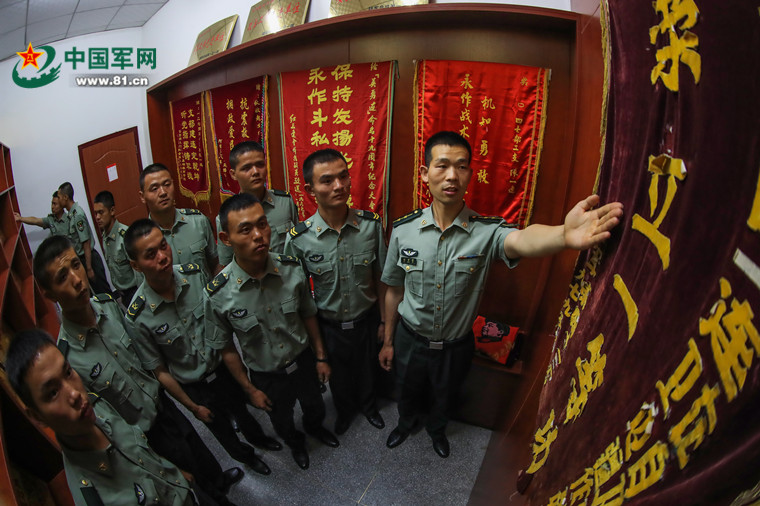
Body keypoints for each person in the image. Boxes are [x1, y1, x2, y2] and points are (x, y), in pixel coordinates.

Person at [379, 131, 624, 458]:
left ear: (470, 174)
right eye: (442, 165)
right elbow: (394, 289)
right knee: (406, 388)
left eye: (461, 167)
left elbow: (521, 240)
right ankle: (405, 424)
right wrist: (388, 340)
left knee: (446, 394)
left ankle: (437, 431)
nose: (452, 175)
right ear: (425, 173)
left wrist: (564, 235)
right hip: (410, 338)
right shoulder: (403, 230)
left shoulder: (486, 231)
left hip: (456, 345)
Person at [33, 235, 239, 504]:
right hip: (142, 433)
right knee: (186, 481)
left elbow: (145, 359)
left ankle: (219, 481)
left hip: (162, 404)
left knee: (196, 449)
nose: (76, 279)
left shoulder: (109, 306)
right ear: (49, 294)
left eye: (76, 265)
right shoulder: (68, 358)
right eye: (62, 277)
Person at [123, 218, 279, 477]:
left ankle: (258, 438)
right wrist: (192, 407)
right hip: (194, 385)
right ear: (135, 265)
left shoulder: (194, 275)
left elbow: (219, 322)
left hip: (222, 366)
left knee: (242, 409)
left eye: (163, 246)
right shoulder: (137, 317)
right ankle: (246, 457)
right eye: (151, 255)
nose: (163, 257)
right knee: (221, 429)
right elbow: (159, 370)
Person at [205, 193, 339, 470]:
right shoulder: (219, 294)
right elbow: (226, 348)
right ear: (226, 238)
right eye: (245, 229)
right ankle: (296, 444)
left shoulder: (290, 268)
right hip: (266, 374)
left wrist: (321, 357)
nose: (259, 235)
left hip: (302, 360)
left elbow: (308, 314)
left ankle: (315, 428)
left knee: (314, 404)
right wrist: (249, 389)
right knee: (281, 419)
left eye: (262, 224)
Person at [5, 329, 212, 506]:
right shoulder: (92, 494)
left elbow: (143, 453)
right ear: (37, 417)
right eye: (53, 393)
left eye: (67, 373)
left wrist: (175, 474)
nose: (74, 394)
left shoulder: (97, 406)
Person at [284, 149, 386, 435]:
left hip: (366, 319)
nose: (339, 186)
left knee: (368, 370)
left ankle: (369, 408)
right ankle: (344, 413)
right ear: (310, 190)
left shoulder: (370, 226)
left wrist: (384, 321)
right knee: (339, 378)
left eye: (343, 176)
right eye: (327, 181)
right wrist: (314, 347)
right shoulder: (300, 239)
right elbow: (298, 296)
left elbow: (382, 278)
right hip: (329, 325)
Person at [216, 141, 298, 265]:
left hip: (286, 274)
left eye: (260, 165)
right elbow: (226, 263)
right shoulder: (228, 217)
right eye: (246, 168)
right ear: (233, 174)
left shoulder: (285, 202)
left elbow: (297, 244)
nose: (255, 172)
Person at [139, 163, 220, 279]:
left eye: (167, 185)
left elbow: (215, 264)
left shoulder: (198, 221)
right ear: (142, 196)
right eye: (154, 189)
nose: (163, 192)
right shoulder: (142, 240)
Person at [57, 182, 113, 295]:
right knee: (97, 293)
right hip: (84, 259)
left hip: (90, 259)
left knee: (104, 292)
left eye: (59, 197)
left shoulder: (77, 215)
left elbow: (86, 242)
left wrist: (89, 268)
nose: (58, 200)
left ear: (65, 197)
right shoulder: (71, 215)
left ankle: (114, 307)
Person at [93, 190, 143, 305]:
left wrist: (142, 298)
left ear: (112, 211)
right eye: (95, 213)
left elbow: (139, 273)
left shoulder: (125, 236)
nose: (97, 217)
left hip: (135, 292)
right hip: (122, 295)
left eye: (101, 212)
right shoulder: (105, 237)